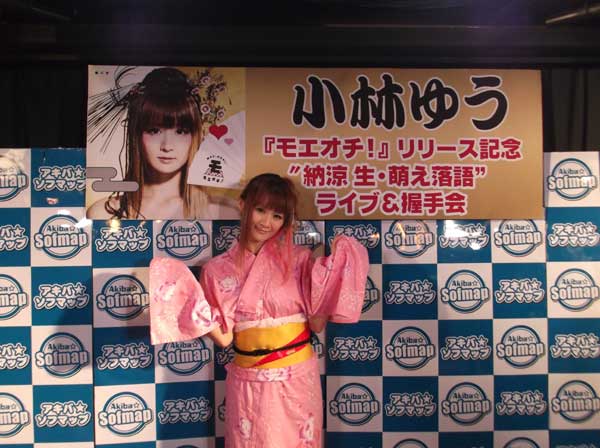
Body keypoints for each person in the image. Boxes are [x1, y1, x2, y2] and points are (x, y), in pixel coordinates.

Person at [149, 173, 369, 447]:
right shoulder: (216, 269)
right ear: (243, 205)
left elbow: (316, 324)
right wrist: (188, 303)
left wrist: (331, 276)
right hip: (247, 380)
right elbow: (224, 338)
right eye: (261, 210)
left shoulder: (300, 259)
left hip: (297, 377)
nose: (266, 222)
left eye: (277, 216)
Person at [87, 66, 239, 220]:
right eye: (154, 131)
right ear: (136, 134)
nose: (167, 146)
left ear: (196, 135)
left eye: (181, 131)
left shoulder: (223, 213)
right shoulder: (104, 214)